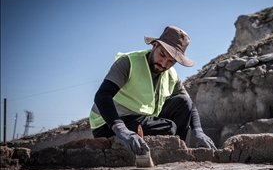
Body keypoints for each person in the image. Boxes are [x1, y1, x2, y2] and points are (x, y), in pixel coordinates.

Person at [89, 25, 217, 156]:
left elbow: (189, 105)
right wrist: (121, 130)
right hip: (109, 124)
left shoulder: (171, 74)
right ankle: (161, 152)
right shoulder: (128, 62)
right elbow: (102, 96)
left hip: (142, 120)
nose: (163, 64)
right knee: (169, 128)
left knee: (183, 102)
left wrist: (198, 131)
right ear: (154, 45)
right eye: (162, 55)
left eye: (171, 61)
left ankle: (176, 154)